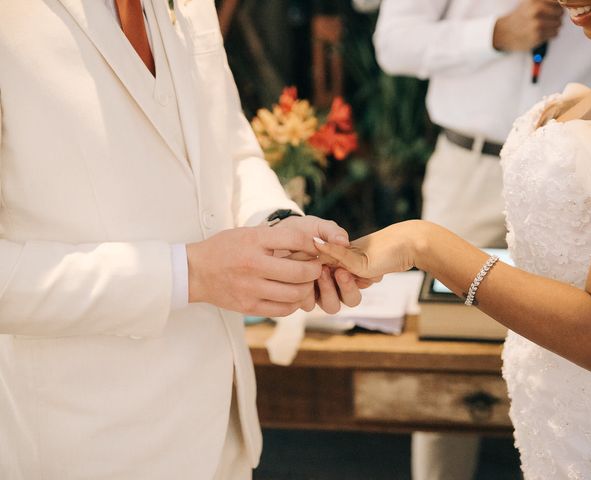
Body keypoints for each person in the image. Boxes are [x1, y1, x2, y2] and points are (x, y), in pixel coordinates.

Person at [0, 1, 368, 478]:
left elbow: (229, 143)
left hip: (223, 434)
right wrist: (187, 274)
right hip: (85, 447)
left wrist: (275, 224)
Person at [318, 1, 591, 478]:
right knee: (436, 357)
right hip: (468, 160)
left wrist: (424, 243)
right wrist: (493, 33)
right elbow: (394, 42)